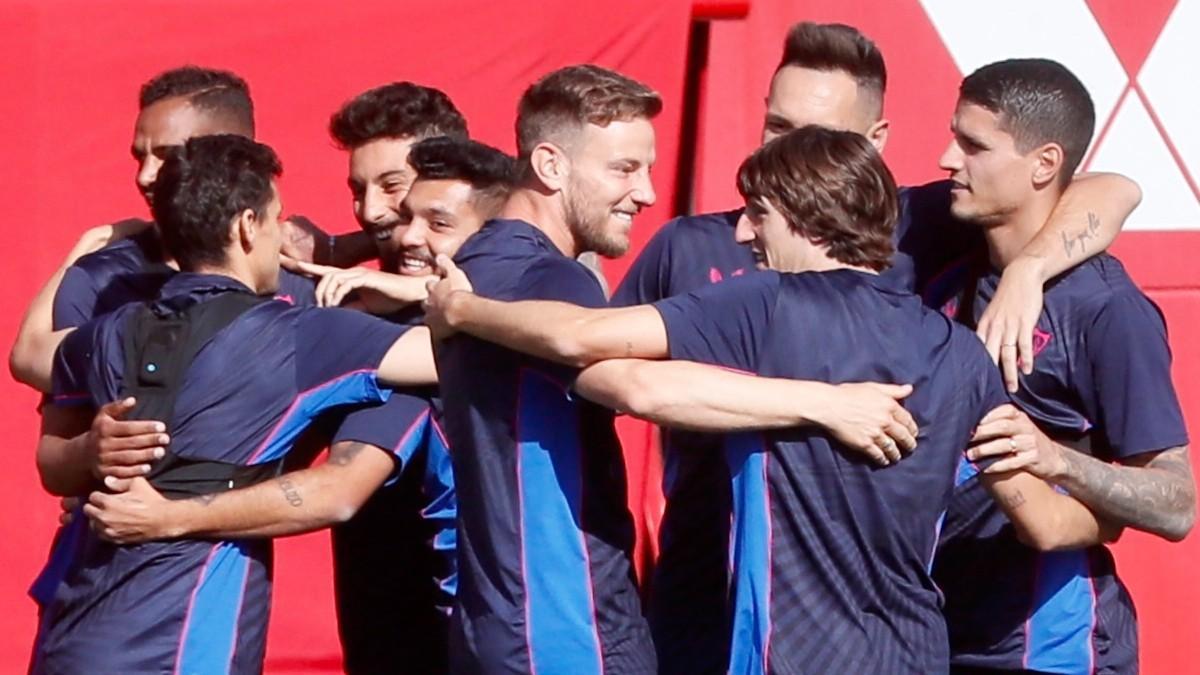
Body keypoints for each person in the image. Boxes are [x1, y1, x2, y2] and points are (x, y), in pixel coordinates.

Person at [423, 125, 1114, 673]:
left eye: (758, 214)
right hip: (914, 654)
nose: (744, 235)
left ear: (804, 217)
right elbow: (1047, 523)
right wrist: (1103, 500)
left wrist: (463, 310)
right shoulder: (958, 351)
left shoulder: (764, 306)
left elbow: (589, 346)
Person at [611, 22, 1143, 671]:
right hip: (702, 595)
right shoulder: (692, 245)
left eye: (819, 135)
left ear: (875, 142)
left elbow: (1111, 188)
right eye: (777, 126)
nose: (791, 149)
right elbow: (597, 367)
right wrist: (816, 403)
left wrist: (1029, 269)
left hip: (863, 620)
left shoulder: (907, 230)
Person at [85, 134, 514, 675]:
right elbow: (339, 488)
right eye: (278, 217)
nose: (384, 220)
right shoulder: (319, 335)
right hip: (196, 638)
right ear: (248, 226)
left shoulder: (111, 328)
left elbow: (32, 359)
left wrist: (96, 462)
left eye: (432, 218)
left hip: (89, 625)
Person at [926, 58, 1195, 675]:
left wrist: (1057, 460)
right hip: (933, 636)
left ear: (1044, 164)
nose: (946, 159)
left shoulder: (1106, 308)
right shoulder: (945, 257)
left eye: (974, 146)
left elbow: (1177, 502)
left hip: (1050, 647)